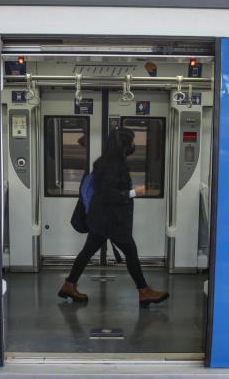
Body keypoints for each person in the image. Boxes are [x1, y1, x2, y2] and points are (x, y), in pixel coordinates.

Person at [59, 127, 170, 308]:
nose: (134, 146)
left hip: (102, 219)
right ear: (123, 146)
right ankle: (144, 292)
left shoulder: (105, 162)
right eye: (131, 142)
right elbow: (108, 195)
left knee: (87, 252)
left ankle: (69, 285)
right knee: (130, 253)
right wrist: (134, 192)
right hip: (111, 220)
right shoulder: (113, 165)